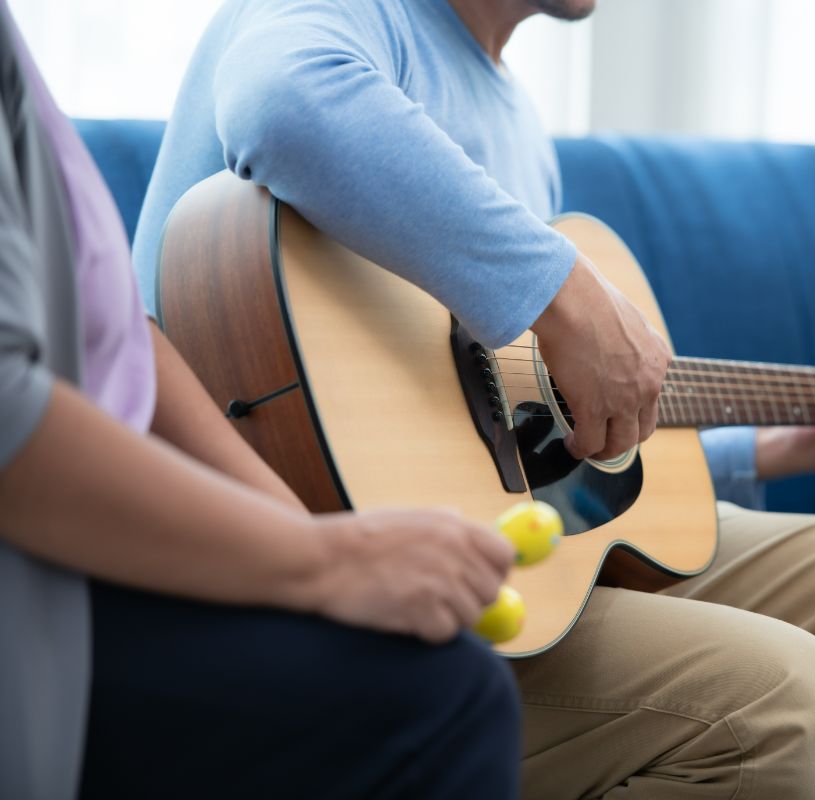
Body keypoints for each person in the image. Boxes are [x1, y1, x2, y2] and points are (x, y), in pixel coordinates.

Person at [130, 1, 815, 798]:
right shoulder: (355, 14)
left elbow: (523, 452)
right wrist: (563, 291)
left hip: (504, 556)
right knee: (777, 698)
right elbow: (284, 99)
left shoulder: (514, 120)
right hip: (307, 588)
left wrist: (770, 450)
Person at [0, 4, 525, 798]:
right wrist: (324, 561)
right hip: (51, 589)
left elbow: (116, 340)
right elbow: (12, 415)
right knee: (446, 697)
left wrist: (304, 537)